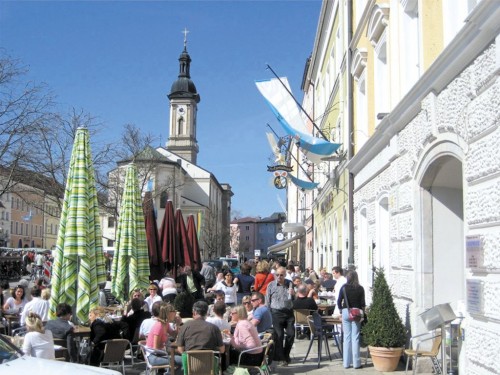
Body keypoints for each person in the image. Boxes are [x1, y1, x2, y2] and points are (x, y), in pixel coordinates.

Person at [176, 301, 225, 374]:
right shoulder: (214, 328)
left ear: (194, 312)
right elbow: (222, 350)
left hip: (191, 368)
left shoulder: (185, 326)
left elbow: (180, 349)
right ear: (206, 313)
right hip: (209, 367)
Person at [266, 266, 295, 366]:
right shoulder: (271, 285)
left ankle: (286, 354)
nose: (279, 277)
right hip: (276, 312)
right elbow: (267, 301)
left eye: (281, 275)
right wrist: (269, 313)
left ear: (285, 275)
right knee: (279, 336)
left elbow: (294, 299)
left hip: (288, 312)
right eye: (277, 275)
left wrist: (293, 293)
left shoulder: (290, 284)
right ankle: (282, 358)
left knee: (291, 334)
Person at [337, 270, 366, 370]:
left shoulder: (344, 287)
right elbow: (363, 303)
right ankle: (356, 363)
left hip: (346, 312)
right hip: (356, 313)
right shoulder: (360, 288)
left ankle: (346, 363)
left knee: (347, 338)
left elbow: (338, 301)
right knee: (356, 337)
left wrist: (341, 310)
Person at [144, 302, 182, 370]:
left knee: (183, 358)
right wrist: (172, 350)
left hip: (160, 354)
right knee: (182, 360)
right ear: (168, 313)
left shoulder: (165, 324)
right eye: (174, 311)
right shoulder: (159, 326)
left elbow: (174, 334)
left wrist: (177, 324)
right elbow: (156, 349)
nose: (176, 313)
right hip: (153, 357)